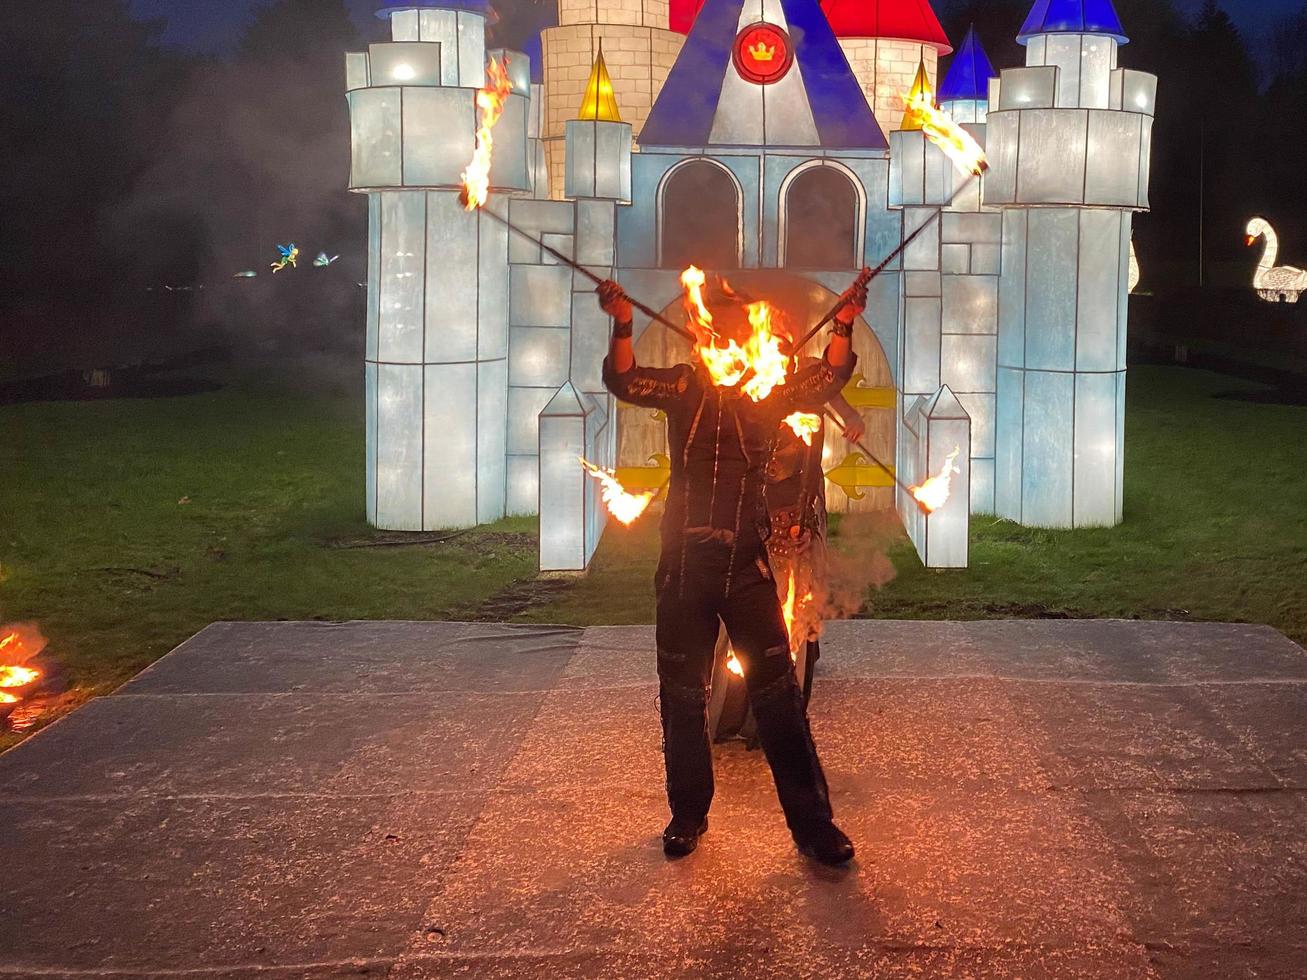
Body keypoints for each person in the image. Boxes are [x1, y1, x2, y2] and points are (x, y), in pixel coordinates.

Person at [598, 276, 866, 865]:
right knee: (683, 696)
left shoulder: (768, 394)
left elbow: (829, 376)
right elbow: (622, 379)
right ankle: (687, 815)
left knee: (779, 698)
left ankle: (815, 827)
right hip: (684, 569)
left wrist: (843, 321)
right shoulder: (684, 387)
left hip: (746, 567)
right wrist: (621, 321)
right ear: (706, 341)